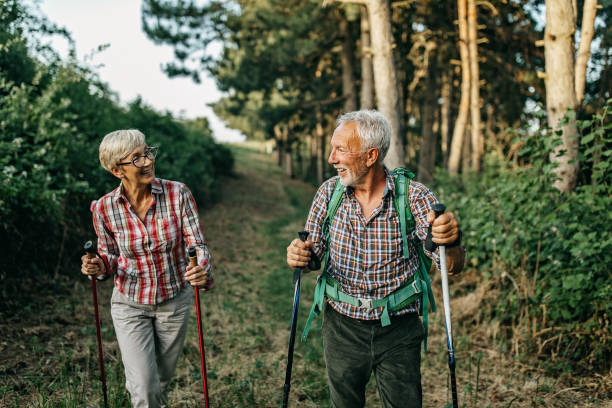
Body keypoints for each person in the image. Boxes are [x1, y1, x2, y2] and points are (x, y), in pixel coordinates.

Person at [286, 110, 465, 408]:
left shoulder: (414, 197)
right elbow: (312, 253)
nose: (331, 158)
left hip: (399, 328)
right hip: (341, 327)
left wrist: (452, 240)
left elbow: (451, 266)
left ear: (370, 156)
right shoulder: (329, 193)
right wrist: (298, 254)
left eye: (340, 149)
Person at [80, 129, 213, 408]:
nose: (148, 161)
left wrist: (200, 268)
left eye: (147, 152)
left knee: (158, 384)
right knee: (144, 386)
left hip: (174, 301)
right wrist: (98, 264)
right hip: (130, 303)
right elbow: (110, 255)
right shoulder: (104, 208)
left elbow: (197, 244)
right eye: (137, 158)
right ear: (117, 170)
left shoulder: (177, 194)